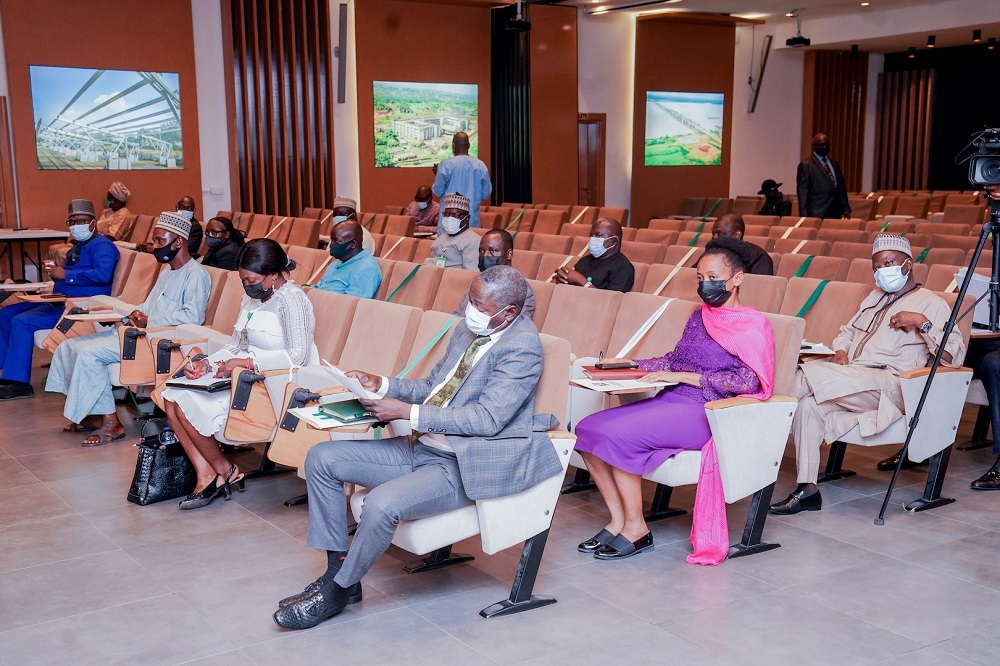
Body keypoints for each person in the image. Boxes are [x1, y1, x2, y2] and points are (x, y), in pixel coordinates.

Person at [272, 266, 562, 630]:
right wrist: (383, 384)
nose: (468, 309)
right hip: (422, 447)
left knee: (381, 504)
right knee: (322, 458)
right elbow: (434, 386)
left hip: (461, 464)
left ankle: (335, 593)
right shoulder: (467, 329)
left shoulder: (523, 347)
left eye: (479, 305)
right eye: (469, 299)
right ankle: (340, 576)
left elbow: (487, 419)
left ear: (509, 313)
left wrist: (407, 413)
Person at [574, 237, 773, 562]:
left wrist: (687, 378)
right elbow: (676, 360)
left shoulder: (753, 325)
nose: (705, 285)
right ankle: (617, 521)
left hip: (706, 411)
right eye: (700, 278)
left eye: (713, 278)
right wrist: (631, 366)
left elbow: (749, 382)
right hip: (674, 399)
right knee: (586, 430)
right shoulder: (700, 315)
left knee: (619, 436)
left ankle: (637, 529)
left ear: (737, 279)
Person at [769, 234, 966, 515]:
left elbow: (953, 357)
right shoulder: (875, 298)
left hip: (895, 385)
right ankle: (808, 490)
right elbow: (847, 332)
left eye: (889, 263)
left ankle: (758, 440)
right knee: (808, 406)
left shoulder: (931, 303)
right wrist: (840, 351)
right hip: (856, 377)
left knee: (804, 375)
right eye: (876, 267)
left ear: (908, 264)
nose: (882, 271)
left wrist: (922, 324)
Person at [162, 239, 318, 509]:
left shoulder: (292, 301)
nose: (247, 286)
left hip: (275, 383)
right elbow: (235, 344)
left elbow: (298, 357)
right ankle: (210, 472)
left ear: (272, 274)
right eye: (243, 280)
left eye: (251, 279)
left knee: (186, 403)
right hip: (245, 376)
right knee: (171, 395)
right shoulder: (252, 298)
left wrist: (246, 363)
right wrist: (207, 364)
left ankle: (221, 471)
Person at [46, 211, 212, 447]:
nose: (155, 246)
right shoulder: (168, 271)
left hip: (156, 341)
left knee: (88, 354)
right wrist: (129, 314)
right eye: (155, 241)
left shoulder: (196, 274)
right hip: (137, 332)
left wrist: (148, 322)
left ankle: (111, 423)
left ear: (178, 242)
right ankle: (88, 412)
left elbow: (193, 316)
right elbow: (148, 305)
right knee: (68, 346)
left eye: (160, 241)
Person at [0, 200, 120, 401]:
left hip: (79, 306)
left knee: (20, 322)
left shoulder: (102, 246)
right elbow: (72, 272)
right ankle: (8, 374)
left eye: (82, 220)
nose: (77, 225)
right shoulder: (77, 248)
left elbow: (103, 274)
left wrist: (67, 275)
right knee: (6, 313)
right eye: (72, 222)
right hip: (60, 300)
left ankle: (19, 384)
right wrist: (56, 274)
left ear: (94, 222)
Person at [453, 229, 535, 320]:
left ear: (509, 254)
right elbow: (459, 315)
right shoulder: (478, 281)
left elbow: (518, 328)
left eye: (492, 251)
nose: (485, 255)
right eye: (481, 251)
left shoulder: (522, 290)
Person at [46, 181, 134, 265]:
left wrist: (87, 239)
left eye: (109, 196)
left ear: (116, 200)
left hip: (99, 245)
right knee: (52, 249)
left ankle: (65, 277)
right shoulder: (107, 212)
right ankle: (51, 280)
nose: (106, 198)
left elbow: (112, 237)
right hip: (87, 240)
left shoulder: (124, 214)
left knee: (63, 253)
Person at [431, 131, 492, 231]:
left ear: (453, 145)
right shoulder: (480, 165)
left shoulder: (446, 165)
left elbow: (438, 191)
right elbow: (486, 194)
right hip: (471, 222)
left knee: (445, 246)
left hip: (449, 224)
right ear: (468, 145)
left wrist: (437, 175)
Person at [556, 217, 634, 292]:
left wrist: (582, 282)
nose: (593, 239)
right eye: (591, 235)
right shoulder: (585, 260)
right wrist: (564, 279)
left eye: (598, 235)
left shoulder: (623, 267)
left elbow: (612, 301)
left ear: (615, 240)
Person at [313, 220, 382, 298]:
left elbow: (352, 305)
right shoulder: (337, 262)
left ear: (353, 244)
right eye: (331, 240)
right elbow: (318, 288)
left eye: (336, 241)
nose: (331, 245)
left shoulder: (367, 269)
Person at [796, 133, 851, 219]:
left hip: (835, 212)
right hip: (817, 213)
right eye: (821, 145)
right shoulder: (806, 165)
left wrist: (845, 207)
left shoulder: (834, 164)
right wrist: (804, 216)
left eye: (826, 145)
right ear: (814, 146)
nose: (824, 147)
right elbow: (803, 192)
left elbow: (841, 188)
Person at [424, 193, 479, 271]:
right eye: (446, 214)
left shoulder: (473, 241)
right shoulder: (441, 238)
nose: (449, 218)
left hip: (450, 280)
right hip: (430, 275)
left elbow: (470, 274)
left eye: (455, 215)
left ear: (467, 218)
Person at [137, 196, 203, 257]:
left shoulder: (195, 227)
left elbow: (184, 249)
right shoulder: (174, 223)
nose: (185, 211)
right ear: (177, 208)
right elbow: (166, 243)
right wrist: (147, 245)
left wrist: (155, 251)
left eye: (189, 208)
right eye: (182, 208)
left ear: (194, 210)